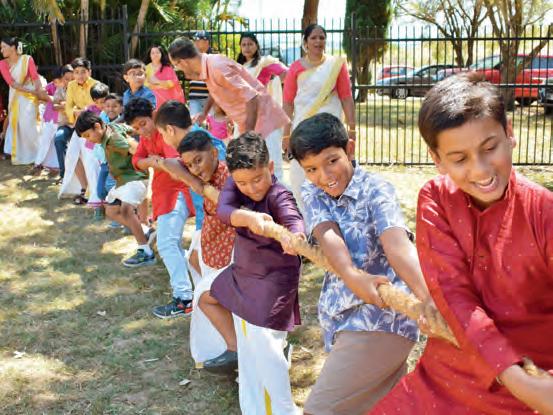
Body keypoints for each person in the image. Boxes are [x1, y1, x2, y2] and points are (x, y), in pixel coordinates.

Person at [370, 73, 553, 415]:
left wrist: (532, 388)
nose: (480, 170)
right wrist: (516, 379)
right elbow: (453, 296)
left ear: (509, 133)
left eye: (490, 148)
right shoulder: (436, 199)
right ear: (437, 159)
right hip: (446, 375)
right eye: (459, 159)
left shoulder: (544, 212)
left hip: (534, 391)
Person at [289, 113, 430, 415]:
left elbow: (396, 244)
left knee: (320, 410)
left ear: (349, 149)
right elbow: (327, 233)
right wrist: (353, 276)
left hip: (381, 320)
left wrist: (429, 300)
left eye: (332, 161)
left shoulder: (376, 189)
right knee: (384, 407)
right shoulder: (312, 190)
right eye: (311, 169)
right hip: (344, 317)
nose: (324, 175)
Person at [210, 132, 303, 414]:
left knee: (266, 346)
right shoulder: (235, 185)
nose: (250, 188)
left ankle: (284, 410)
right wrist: (249, 218)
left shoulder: (278, 194)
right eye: (242, 182)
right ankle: (253, 407)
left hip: (275, 279)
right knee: (249, 346)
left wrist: (295, 237)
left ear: (270, 167)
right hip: (244, 273)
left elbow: (293, 219)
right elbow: (224, 210)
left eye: (257, 179)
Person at [168, 37, 289, 182]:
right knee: (251, 173)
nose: (179, 70)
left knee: (271, 173)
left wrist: (249, 137)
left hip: (265, 121)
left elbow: (252, 97)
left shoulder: (217, 66)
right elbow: (214, 89)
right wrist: (204, 114)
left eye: (176, 66)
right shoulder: (208, 66)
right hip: (248, 124)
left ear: (183, 62)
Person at [127, 97, 197, 317]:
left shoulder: (166, 132)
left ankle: (184, 298)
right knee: (170, 244)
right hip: (164, 193)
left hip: (178, 192)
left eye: (143, 124)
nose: (142, 131)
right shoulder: (147, 136)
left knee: (167, 243)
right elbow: (137, 160)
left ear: (154, 116)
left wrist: (158, 162)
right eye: (136, 128)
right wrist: (152, 161)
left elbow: (174, 165)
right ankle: (190, 288)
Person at [175, 130, 237, 369]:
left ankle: (234, 347)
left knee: (205, 296)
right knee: (193, 260)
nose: (195, 169)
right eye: (190, 165)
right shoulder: (205, 176)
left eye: (198, 161)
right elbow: (171, 163)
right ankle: (226, 336)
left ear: (214, 153)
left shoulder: (229, 177)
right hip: (213, 240)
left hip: (231, 245)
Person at [283, 24, 355, 210]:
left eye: (321, 38)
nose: (318, 41)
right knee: (300, 176)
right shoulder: (295, 68)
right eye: (313, 38)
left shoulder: (336, 65)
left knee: (334, 172)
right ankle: (308, 219)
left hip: (329, 132)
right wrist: (286, 135)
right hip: (303, 130)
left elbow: (346, 97)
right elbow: (288, 103)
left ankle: (336, 215)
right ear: (305, 42)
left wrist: (352, 129)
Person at [74, 110, 155, 268]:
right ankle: (145, 231)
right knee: (110, 211)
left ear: (97, 126)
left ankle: (145, 252)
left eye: (88, 135)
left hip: (135, 177)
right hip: (123, 180)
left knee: (126, 211)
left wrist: (150, 159)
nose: (89, 140)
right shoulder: (112, 127)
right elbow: (130, 128)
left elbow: (135, 148)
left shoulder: (113, 139)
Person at [154, 99, 226, 231]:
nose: (164, 140)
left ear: (170, 130)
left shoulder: (208, 147)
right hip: (207, 223)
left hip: (221, 227)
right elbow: (170, 163)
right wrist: (193, 181)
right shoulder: (193, 146)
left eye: (162, 134)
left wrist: (195, 182)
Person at [58, 57, 101, 208]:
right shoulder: (71, 85)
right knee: (72, 156)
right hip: (78, 126)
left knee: (90, 160)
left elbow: (98, 106)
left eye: (83, 72)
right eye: (76, 72)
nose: (80, 75)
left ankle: (95, 194)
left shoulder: (96, 85)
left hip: (92, 128)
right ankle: (84, 188)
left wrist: (82, 111)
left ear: (89, 72)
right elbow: (68, 107)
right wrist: (76, 112)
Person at [0, 37, 43, 165]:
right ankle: (21, 154)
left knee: (29, 123)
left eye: (4, 47)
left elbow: (35, 78)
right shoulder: (2, 64)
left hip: (30, 96)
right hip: (16, 95)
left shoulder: (27, 59)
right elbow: (12, 83)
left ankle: (38, 153)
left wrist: (39, 92)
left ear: (13, 47)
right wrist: (30, 91)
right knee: (18, 124)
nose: (1, 50)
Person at [33, 67, 64, 174]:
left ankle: (55, 165)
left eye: (59, 81)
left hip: (61, 120)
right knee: (45, 140)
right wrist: (48, 97)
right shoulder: (50, 86)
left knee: (57, 143)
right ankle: (37, 163)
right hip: (50, 118)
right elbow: (40, 95)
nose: (57, 84)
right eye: (55, 82)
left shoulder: (69, 87)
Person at [52, 64, 74, 180]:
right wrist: (65, 106)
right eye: (66, 79)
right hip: (65, 124)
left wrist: (64, 105)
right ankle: (64, 174)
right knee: (58, 139)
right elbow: (54, 106)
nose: (69, 81)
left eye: (72, 79)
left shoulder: (79, 90)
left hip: (79, 126)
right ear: (62, 79)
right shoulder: (59, 90)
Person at [187, 31, 211, 117]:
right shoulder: (190, 57)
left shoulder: (212, 58)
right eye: (195, 40)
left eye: (198, 40)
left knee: (212, 123)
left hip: (210, 99)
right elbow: (188, 74)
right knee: (195, 123)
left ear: (206, 42)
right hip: (194, 98)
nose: (195, 42)